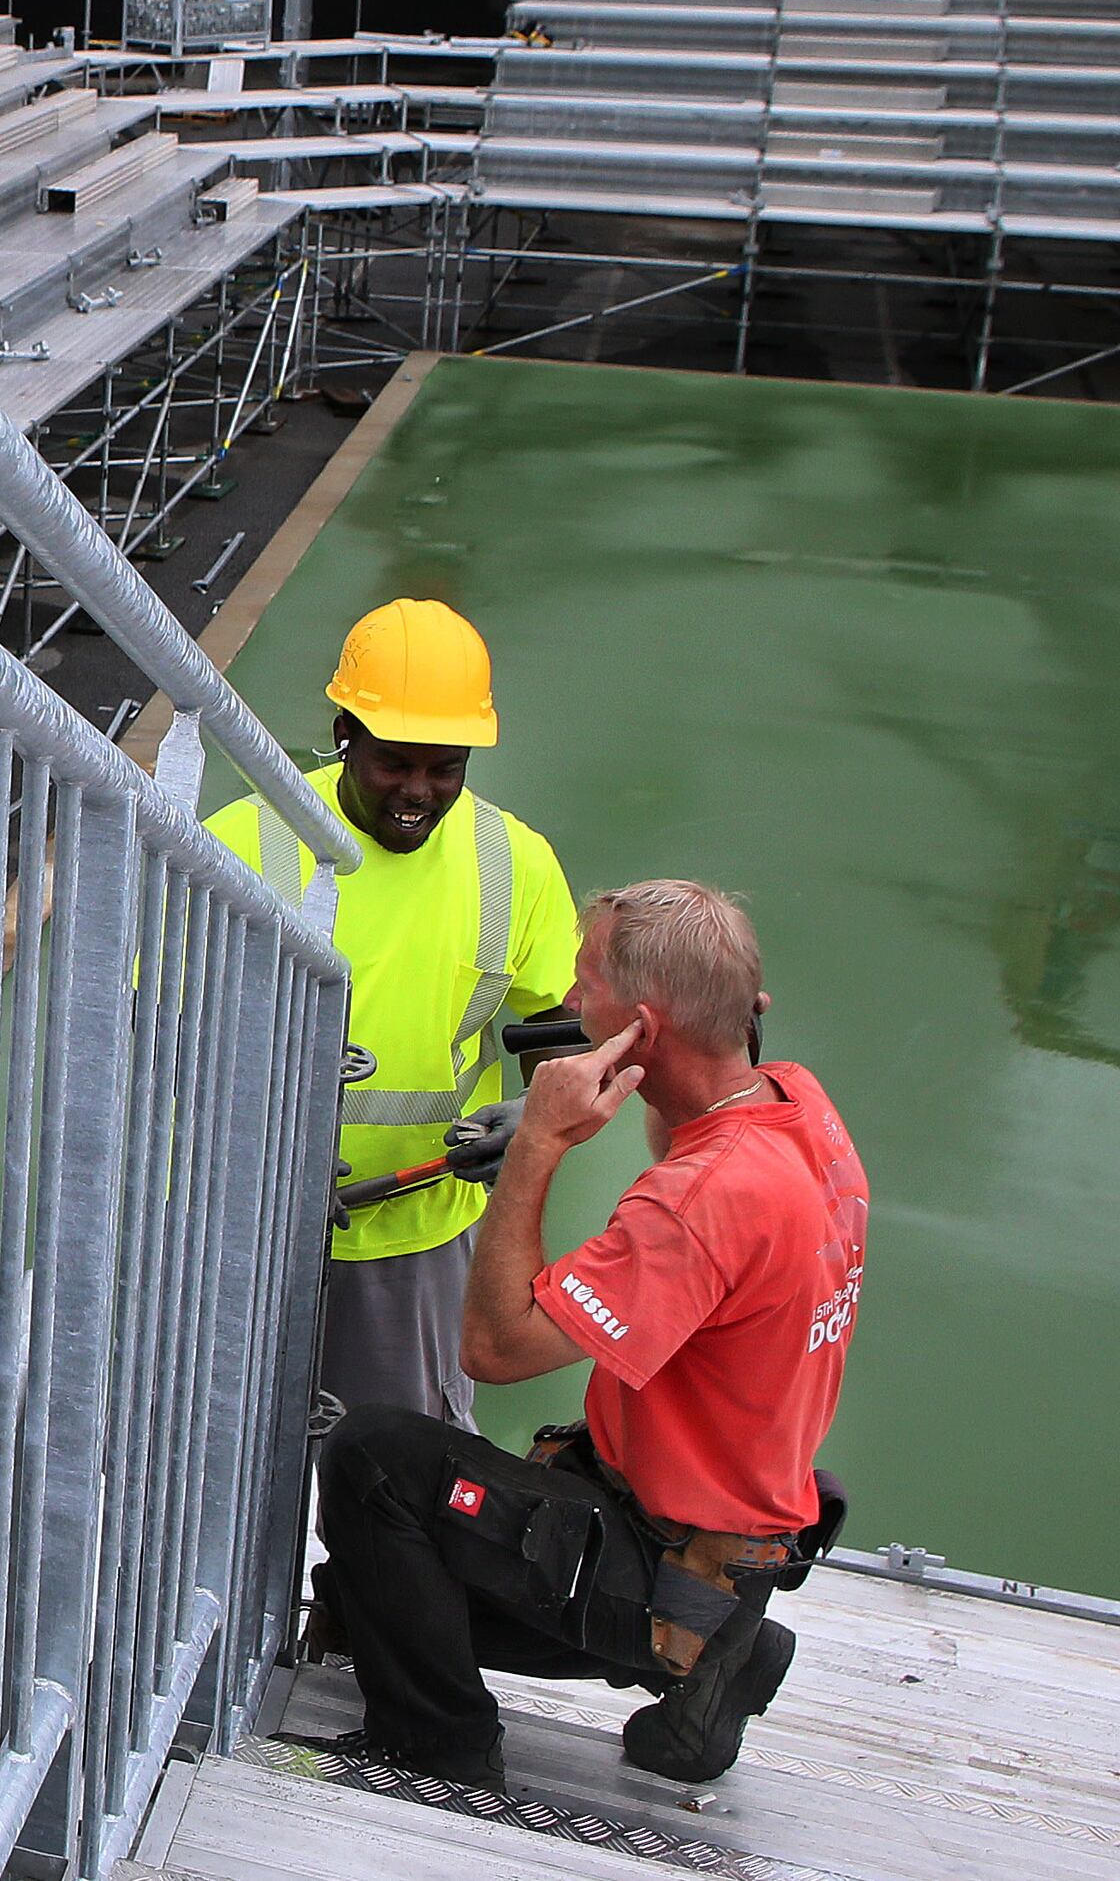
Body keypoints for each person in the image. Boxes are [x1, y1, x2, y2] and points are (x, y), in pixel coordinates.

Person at [312, 879, 864, 1791]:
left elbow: (493, 1347)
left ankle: (437, 1743)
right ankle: (728, 1643)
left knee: (373, 1458)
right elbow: (689, 1130)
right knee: (364, 1595)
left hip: (661, 1553)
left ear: (642, 1027)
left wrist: (537, 1147)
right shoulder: (797, 1111)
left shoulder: (699, 1203)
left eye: (585, 982)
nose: (569, 1002)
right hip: (738, 1538)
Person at [211, 598, 579, 1425]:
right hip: (238, 1237)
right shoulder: (241, 845)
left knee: (392, 1497)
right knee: (211, 1472)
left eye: (444, 767)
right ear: (345, 734)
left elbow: (562, 1026)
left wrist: (538, 1115)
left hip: (414, 1245)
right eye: (395, 764)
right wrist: (258, 1155)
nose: (418, 791)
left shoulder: (512, 863)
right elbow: (154, 1029)